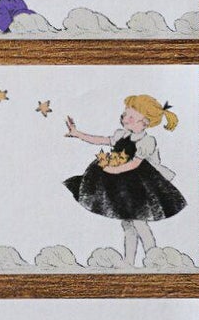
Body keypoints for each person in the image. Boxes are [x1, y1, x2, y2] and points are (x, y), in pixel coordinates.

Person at [64, 94, 186, 266]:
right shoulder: (121, 134)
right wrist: (77, 133)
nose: (124, 118)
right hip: (124, 188)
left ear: (145, 122)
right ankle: (129, 261)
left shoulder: (146, 141)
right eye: (124, 114)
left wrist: (113, 169)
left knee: (139, 223)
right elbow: (102, 140)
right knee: (128, 224)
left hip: (140, 189)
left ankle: (154, 259)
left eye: (131, 116)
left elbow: (134, 164)